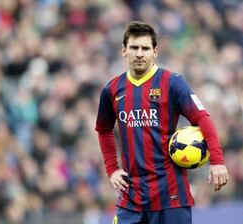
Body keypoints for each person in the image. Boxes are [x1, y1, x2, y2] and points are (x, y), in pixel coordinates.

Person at [95, 21, 228, 224]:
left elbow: (202, 118)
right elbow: (103, 130)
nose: (139, 53)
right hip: (131, 196)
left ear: (155, 51)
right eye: (134, 48)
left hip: (170, 196)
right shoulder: (112, 89)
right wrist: (112, 169)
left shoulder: (172, 82)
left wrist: (217, 161)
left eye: (145, 48)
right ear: (124, 50)